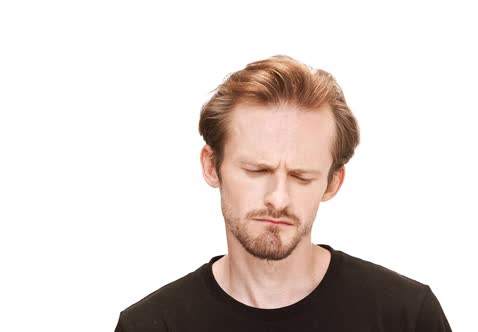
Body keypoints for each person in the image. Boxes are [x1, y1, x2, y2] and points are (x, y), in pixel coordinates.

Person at [114, 55, 452, 331]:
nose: (278, 198)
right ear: (211, 166)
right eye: (257, 170)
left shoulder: (406, 317)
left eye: (301, 176)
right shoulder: (150, 326)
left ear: (333, 182)